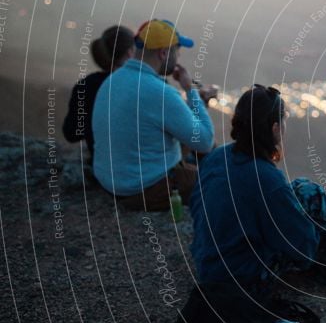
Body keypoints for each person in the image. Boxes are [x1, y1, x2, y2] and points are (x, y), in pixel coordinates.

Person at [190, 84, 326, 297]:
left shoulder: (217, 157)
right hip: (242, 280)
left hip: (208, 265)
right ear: (274, 128)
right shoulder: (267, 179)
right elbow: (304, 251)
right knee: (311, 193)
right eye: (283, 121)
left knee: (297, 189)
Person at [92, 19, 216, 211]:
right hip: (140, 188)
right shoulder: (160, 92)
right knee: (219, 181)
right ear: (164, 53)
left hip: (111, 181)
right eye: (178, 51)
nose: (179, 56)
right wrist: (189, 89)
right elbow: (205, 141)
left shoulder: (112, 80)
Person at [62, 25, 135, 161]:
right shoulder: (141, 85)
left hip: (101, 166)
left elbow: (71, 134)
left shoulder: (85, 86)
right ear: (130, 52)